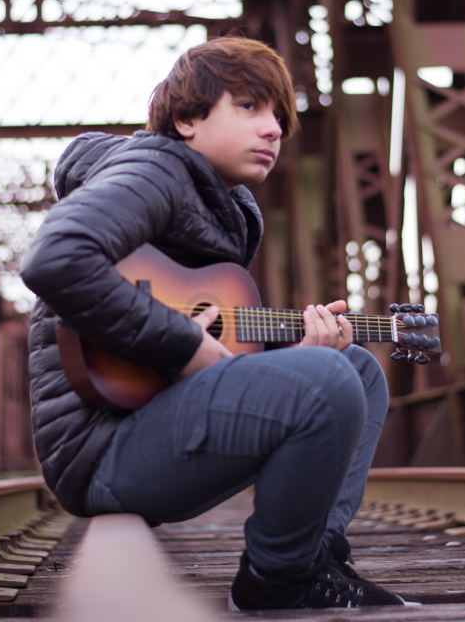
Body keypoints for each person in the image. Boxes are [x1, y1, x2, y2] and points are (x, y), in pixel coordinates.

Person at [20, 37, 410, 610]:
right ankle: (275, 583)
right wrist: (189, 349)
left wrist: (298, 352)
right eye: (250, 107)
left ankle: (311, 559)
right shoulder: (155, 170)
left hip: (147, 420)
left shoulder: (224, 208)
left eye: (279, 115)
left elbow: (214, 341)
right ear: (186, 119)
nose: (274, 129)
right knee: (326, 380)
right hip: (101, 448)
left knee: (354, 369)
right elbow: (55, 258)